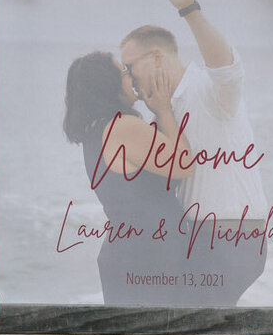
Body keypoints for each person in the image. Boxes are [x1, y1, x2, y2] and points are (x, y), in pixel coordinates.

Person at [120, 0, 270, 306]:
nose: (129, 79)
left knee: (196, 323)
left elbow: (228, 68)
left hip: (231, 237)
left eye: (131, 68)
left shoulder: (207, 92)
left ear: (156, 57)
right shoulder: (163, 110)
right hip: (202, 238)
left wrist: (189, 9)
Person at [61, 51, 185, 305]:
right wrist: (164, 111)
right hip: (148, 255)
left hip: (131, 251)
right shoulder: (122, 126)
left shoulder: (96, 129)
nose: (130, 75)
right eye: (124, 72)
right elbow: (182, 164)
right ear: (109, 83)